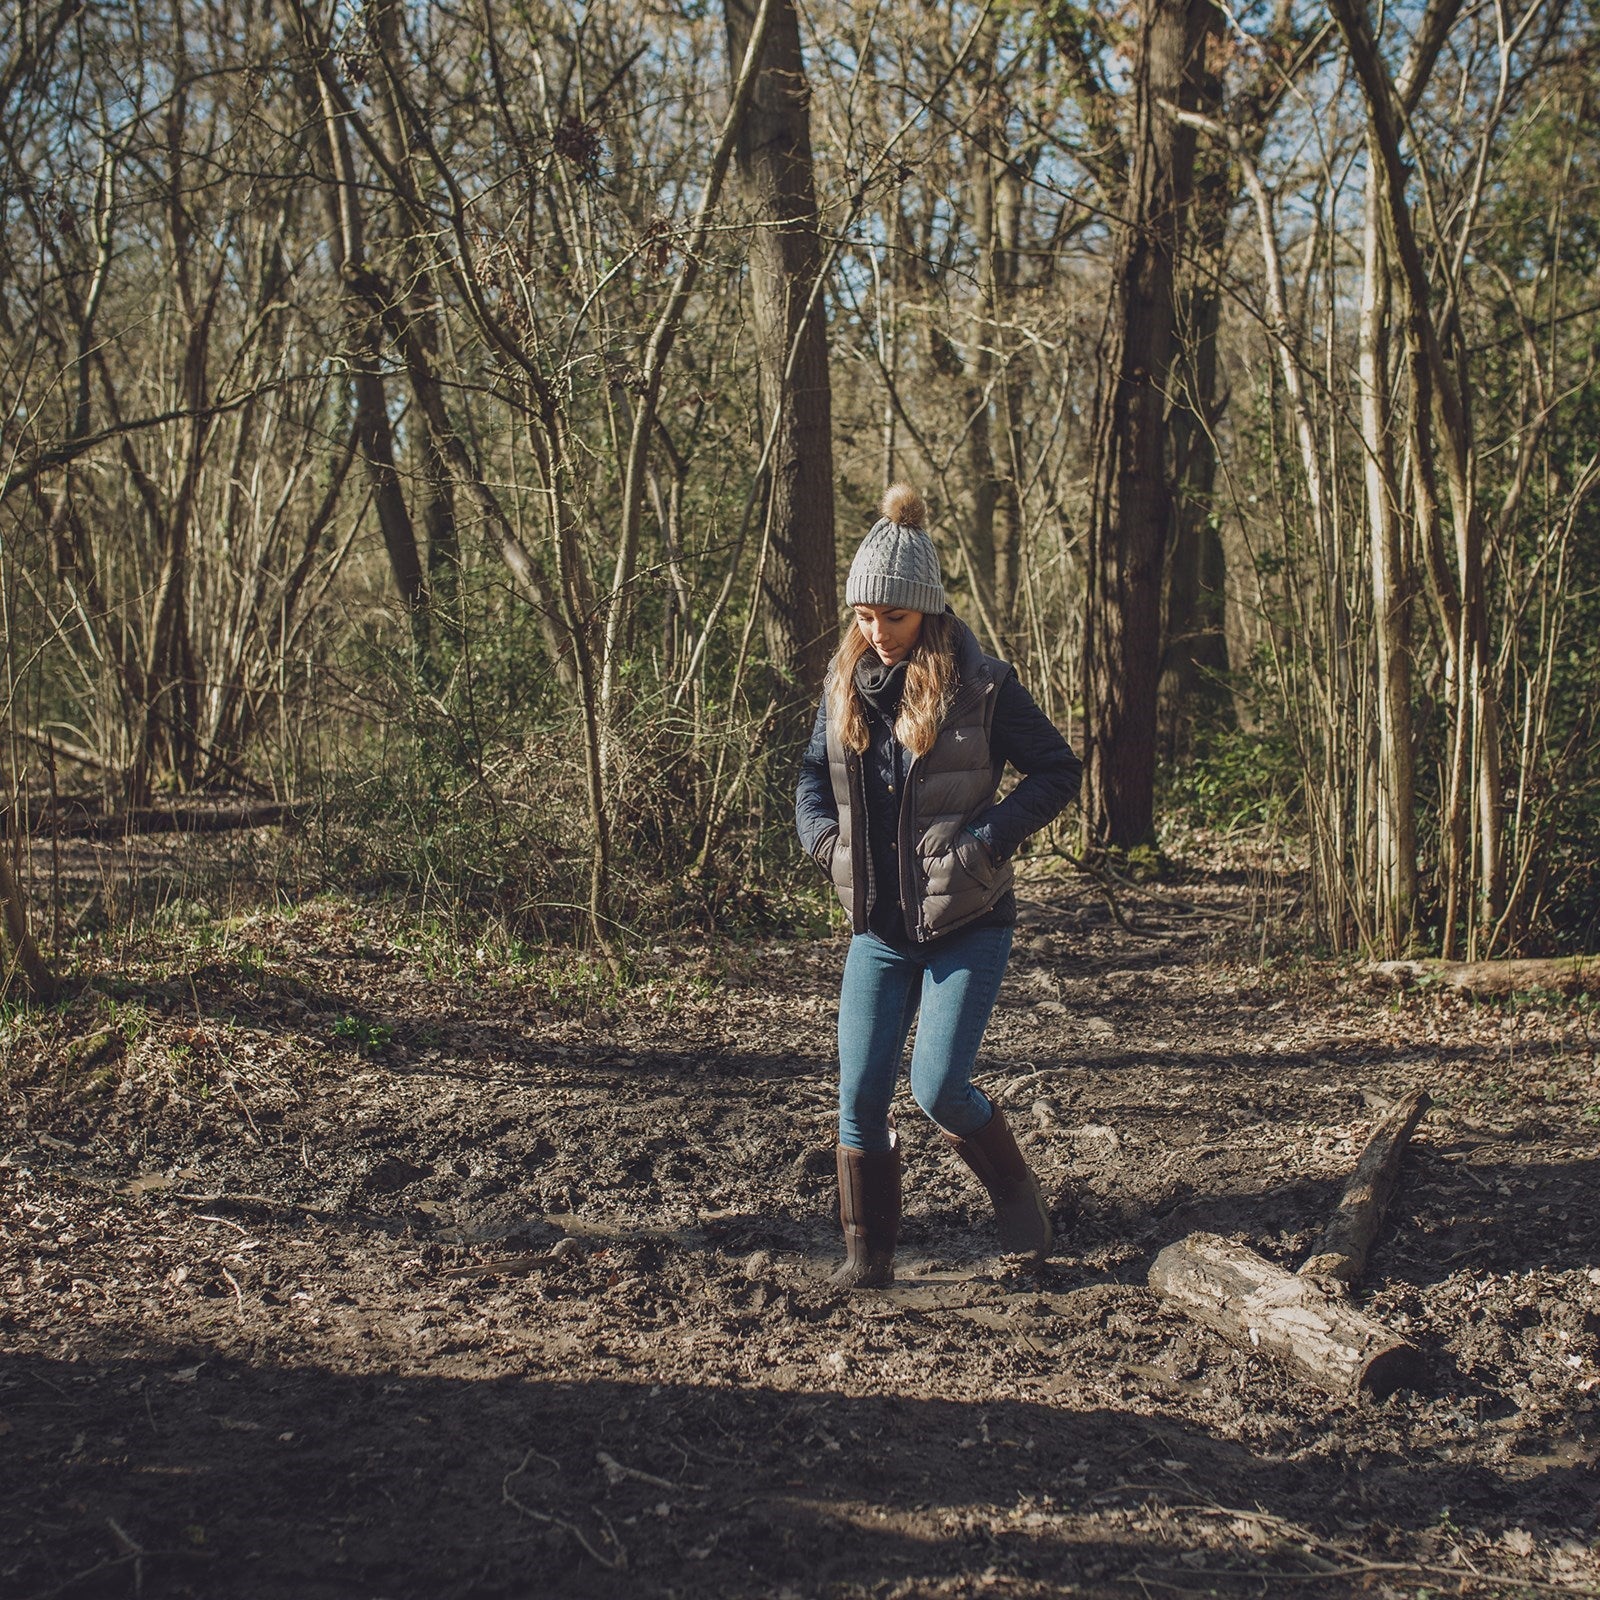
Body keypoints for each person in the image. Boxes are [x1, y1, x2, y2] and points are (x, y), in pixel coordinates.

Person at [795, 484, 1083, 1289]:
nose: (876, 633)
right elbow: (811, 776)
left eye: (892, 616)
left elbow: (1059, 769)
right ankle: (869, 1259)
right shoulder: (843, 683)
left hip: (968, 919)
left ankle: (1020, 1203)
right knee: (858, 1097)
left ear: (926, 611)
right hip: (878, 929)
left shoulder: (982, 686)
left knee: (939, 1088)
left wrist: (988, 841)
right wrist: (825, 845)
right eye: (864, 615)